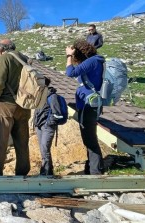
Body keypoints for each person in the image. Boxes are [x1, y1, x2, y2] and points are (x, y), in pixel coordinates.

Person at [0, 39, 31, 176]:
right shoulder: (25, 59)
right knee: (22, 143)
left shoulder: (5, 58)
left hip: (5, 105)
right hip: (24, 106)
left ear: (1, 49)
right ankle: (22, 172)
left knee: (0, 143)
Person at [65, 39, 105, 175]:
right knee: (88, 138)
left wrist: (69, 56)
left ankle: (96, 173)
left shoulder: (92, 61)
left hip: (89, 105)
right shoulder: (95, 61)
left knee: (90, 139)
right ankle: (91, 169)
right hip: (90, 104)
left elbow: (70, 73)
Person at [33, 77, 60, 176]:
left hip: (47, 127)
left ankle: (46, 174)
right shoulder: (40, 95)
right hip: (40, 126)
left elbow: (57, 114)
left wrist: (48, 123)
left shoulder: (52, 97)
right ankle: (47, 171)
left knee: (45, 150)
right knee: (43, 150)